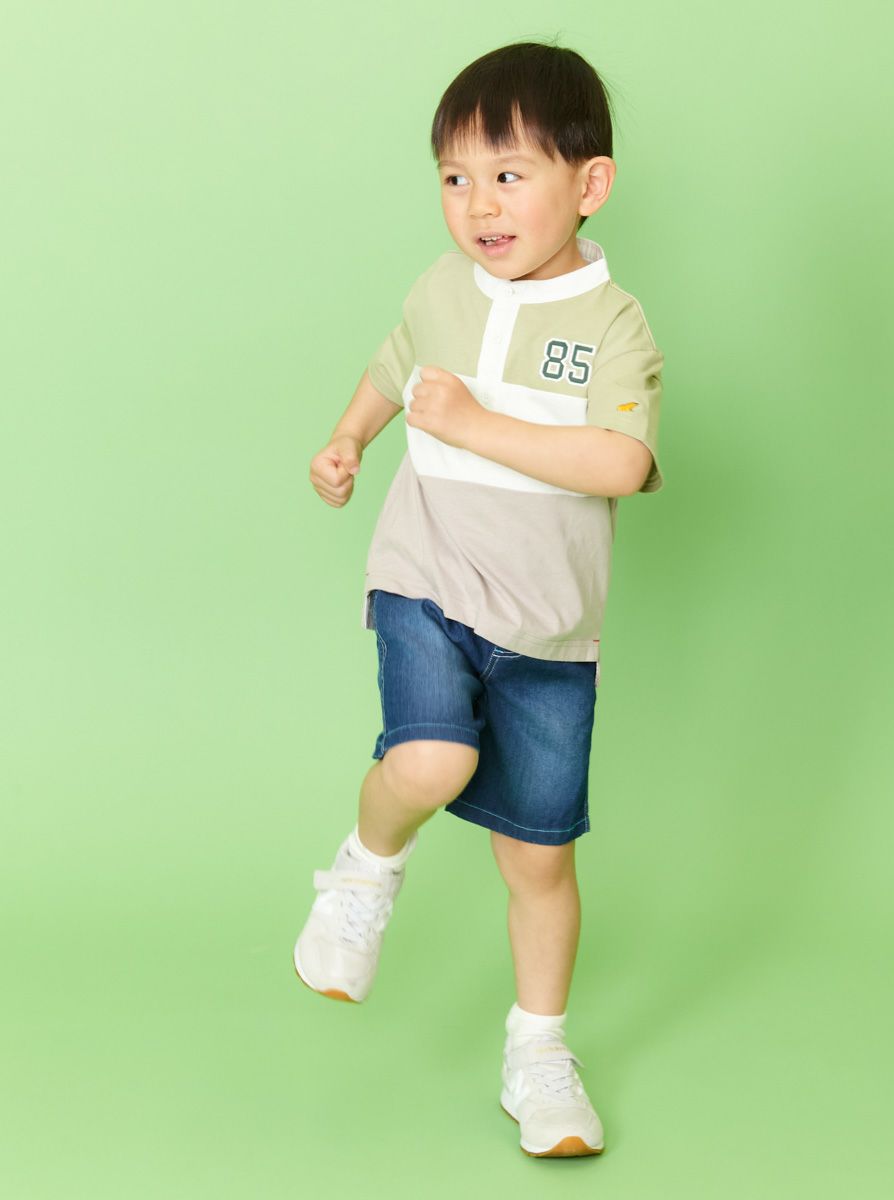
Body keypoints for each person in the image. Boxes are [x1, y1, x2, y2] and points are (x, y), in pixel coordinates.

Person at [293, 40, 664, 1158]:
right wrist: (350, 437)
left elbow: (622, 463)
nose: (478, 203)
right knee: (431, 759)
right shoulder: (441, 289)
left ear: (589, 184)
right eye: (455, 177)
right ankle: (365, 869)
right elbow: (394, 365)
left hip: (550, 631)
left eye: (508, 174)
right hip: (428, 577)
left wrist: (475, 425)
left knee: (538, 864)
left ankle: (538, 1053)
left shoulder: (613, 324)